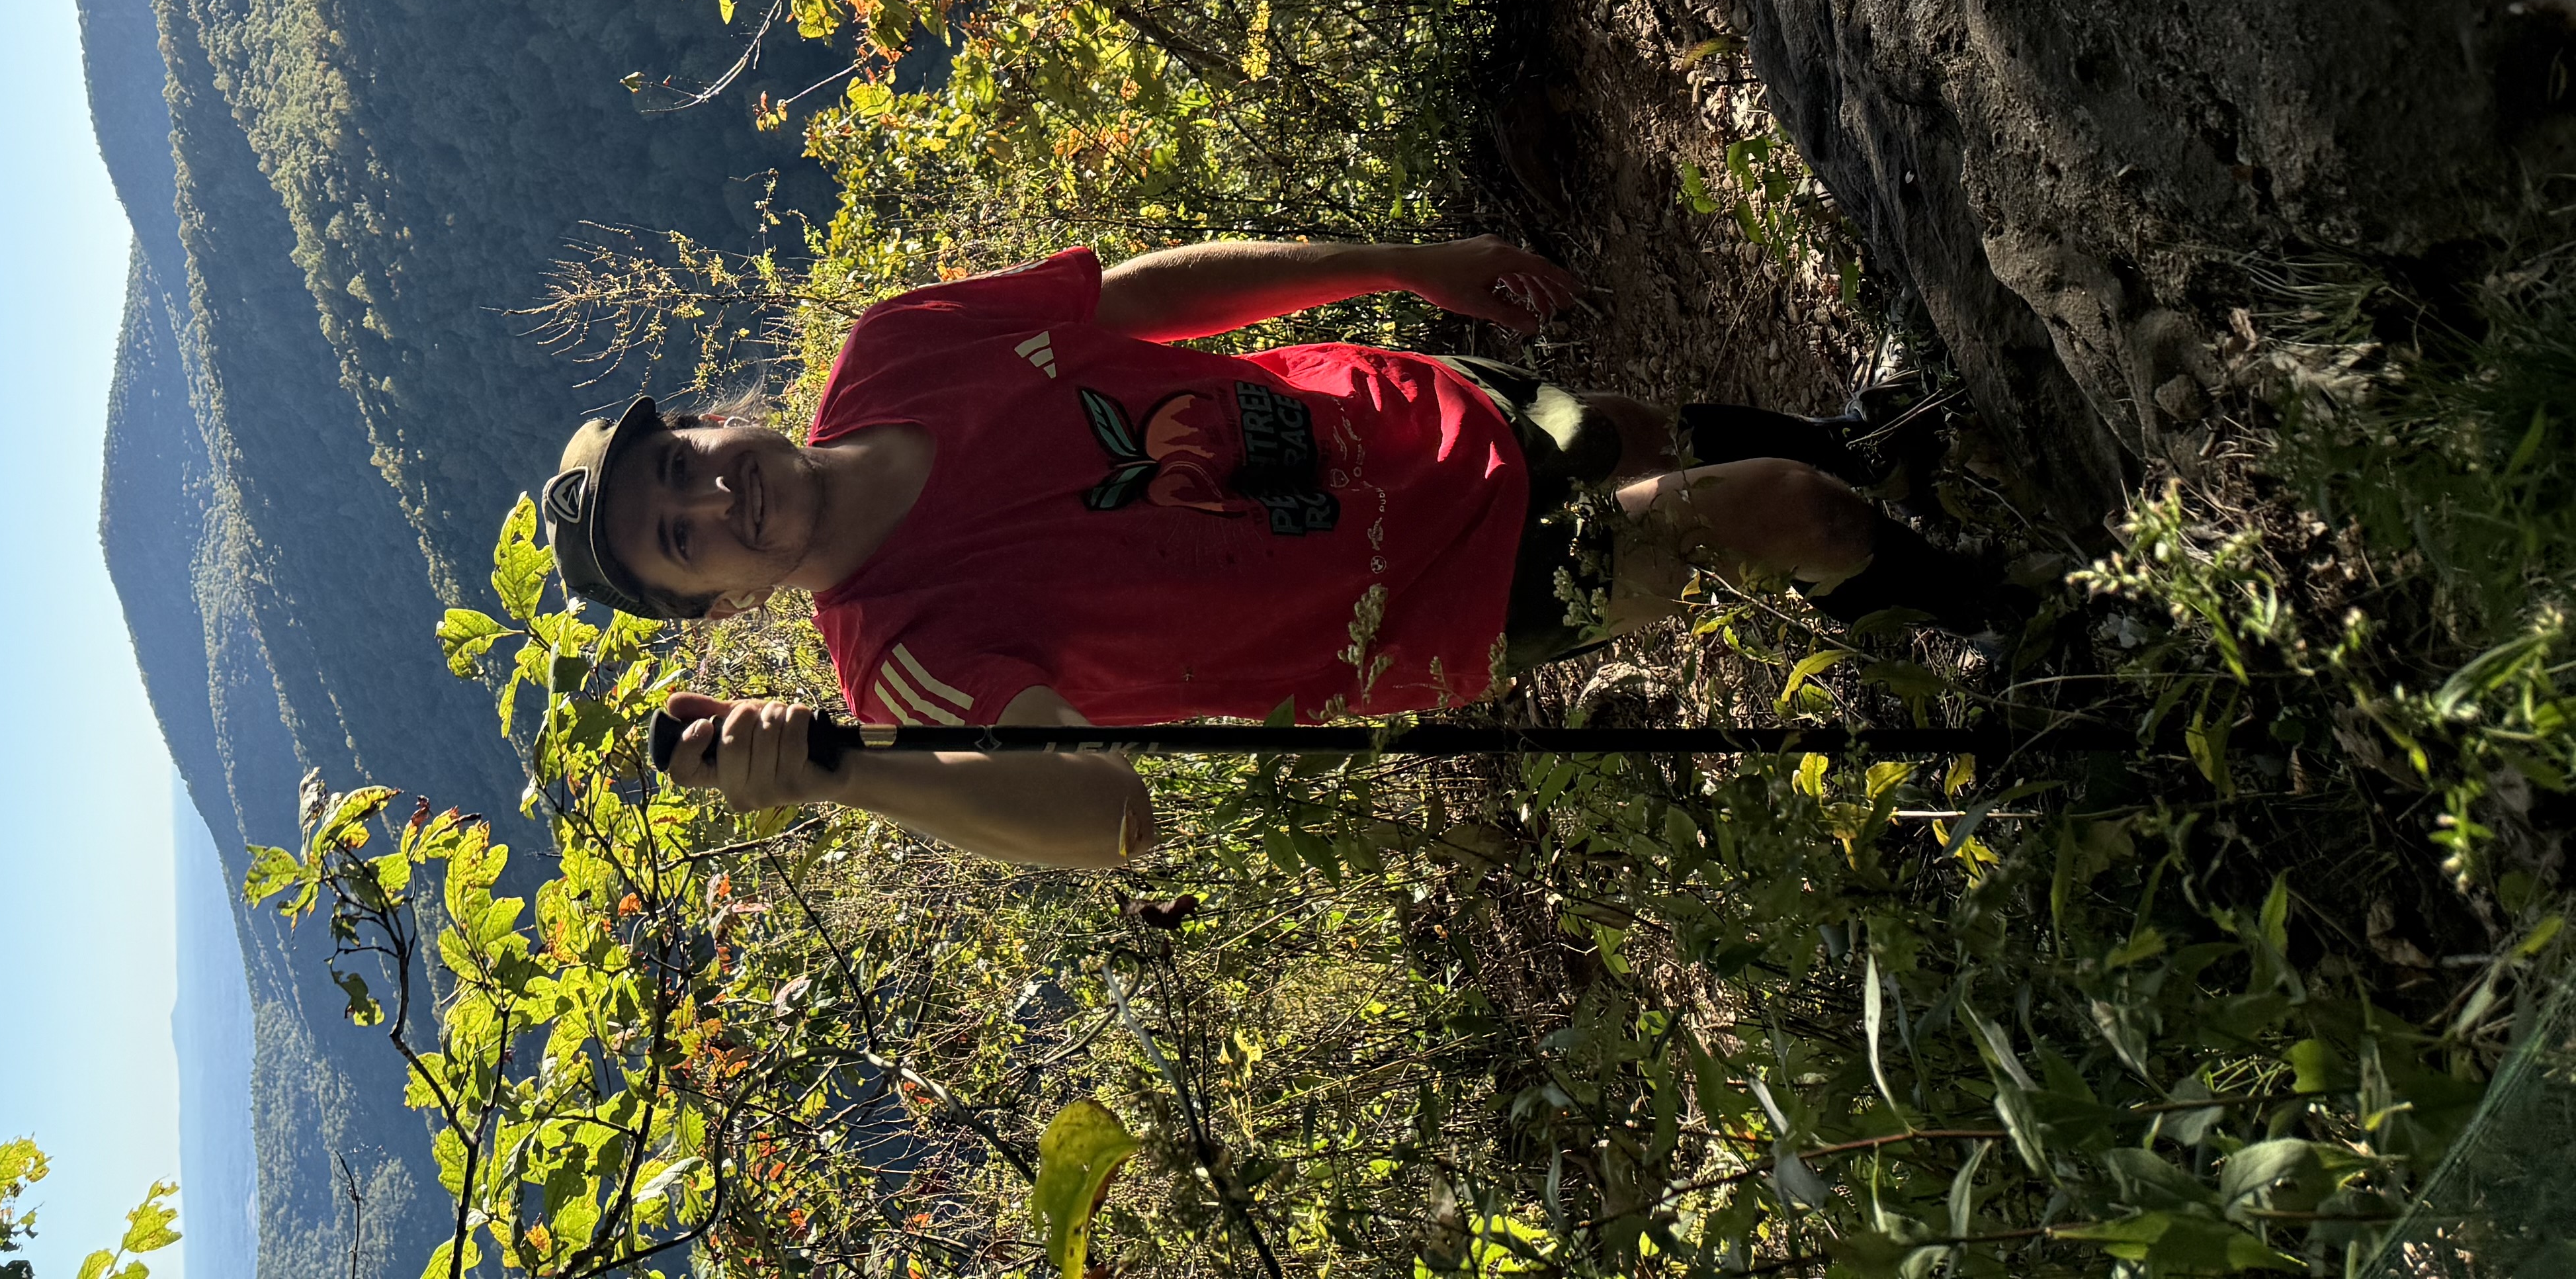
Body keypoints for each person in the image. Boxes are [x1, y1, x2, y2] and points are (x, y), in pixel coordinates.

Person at [534, 236, 2012, 870]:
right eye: (681, 538)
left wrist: (1396, 267)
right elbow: (1110, 815)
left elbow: (1141, 300)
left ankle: (1877, 438)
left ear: (714, 423)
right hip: (1432, 609)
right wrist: (841, 773)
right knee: (1753, 512)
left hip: (1411, 413)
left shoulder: (898, 351)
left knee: (1625, 424)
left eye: (683, 467)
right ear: (705, 602)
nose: (715, 498)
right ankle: (2014, 622)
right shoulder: (904, 665)